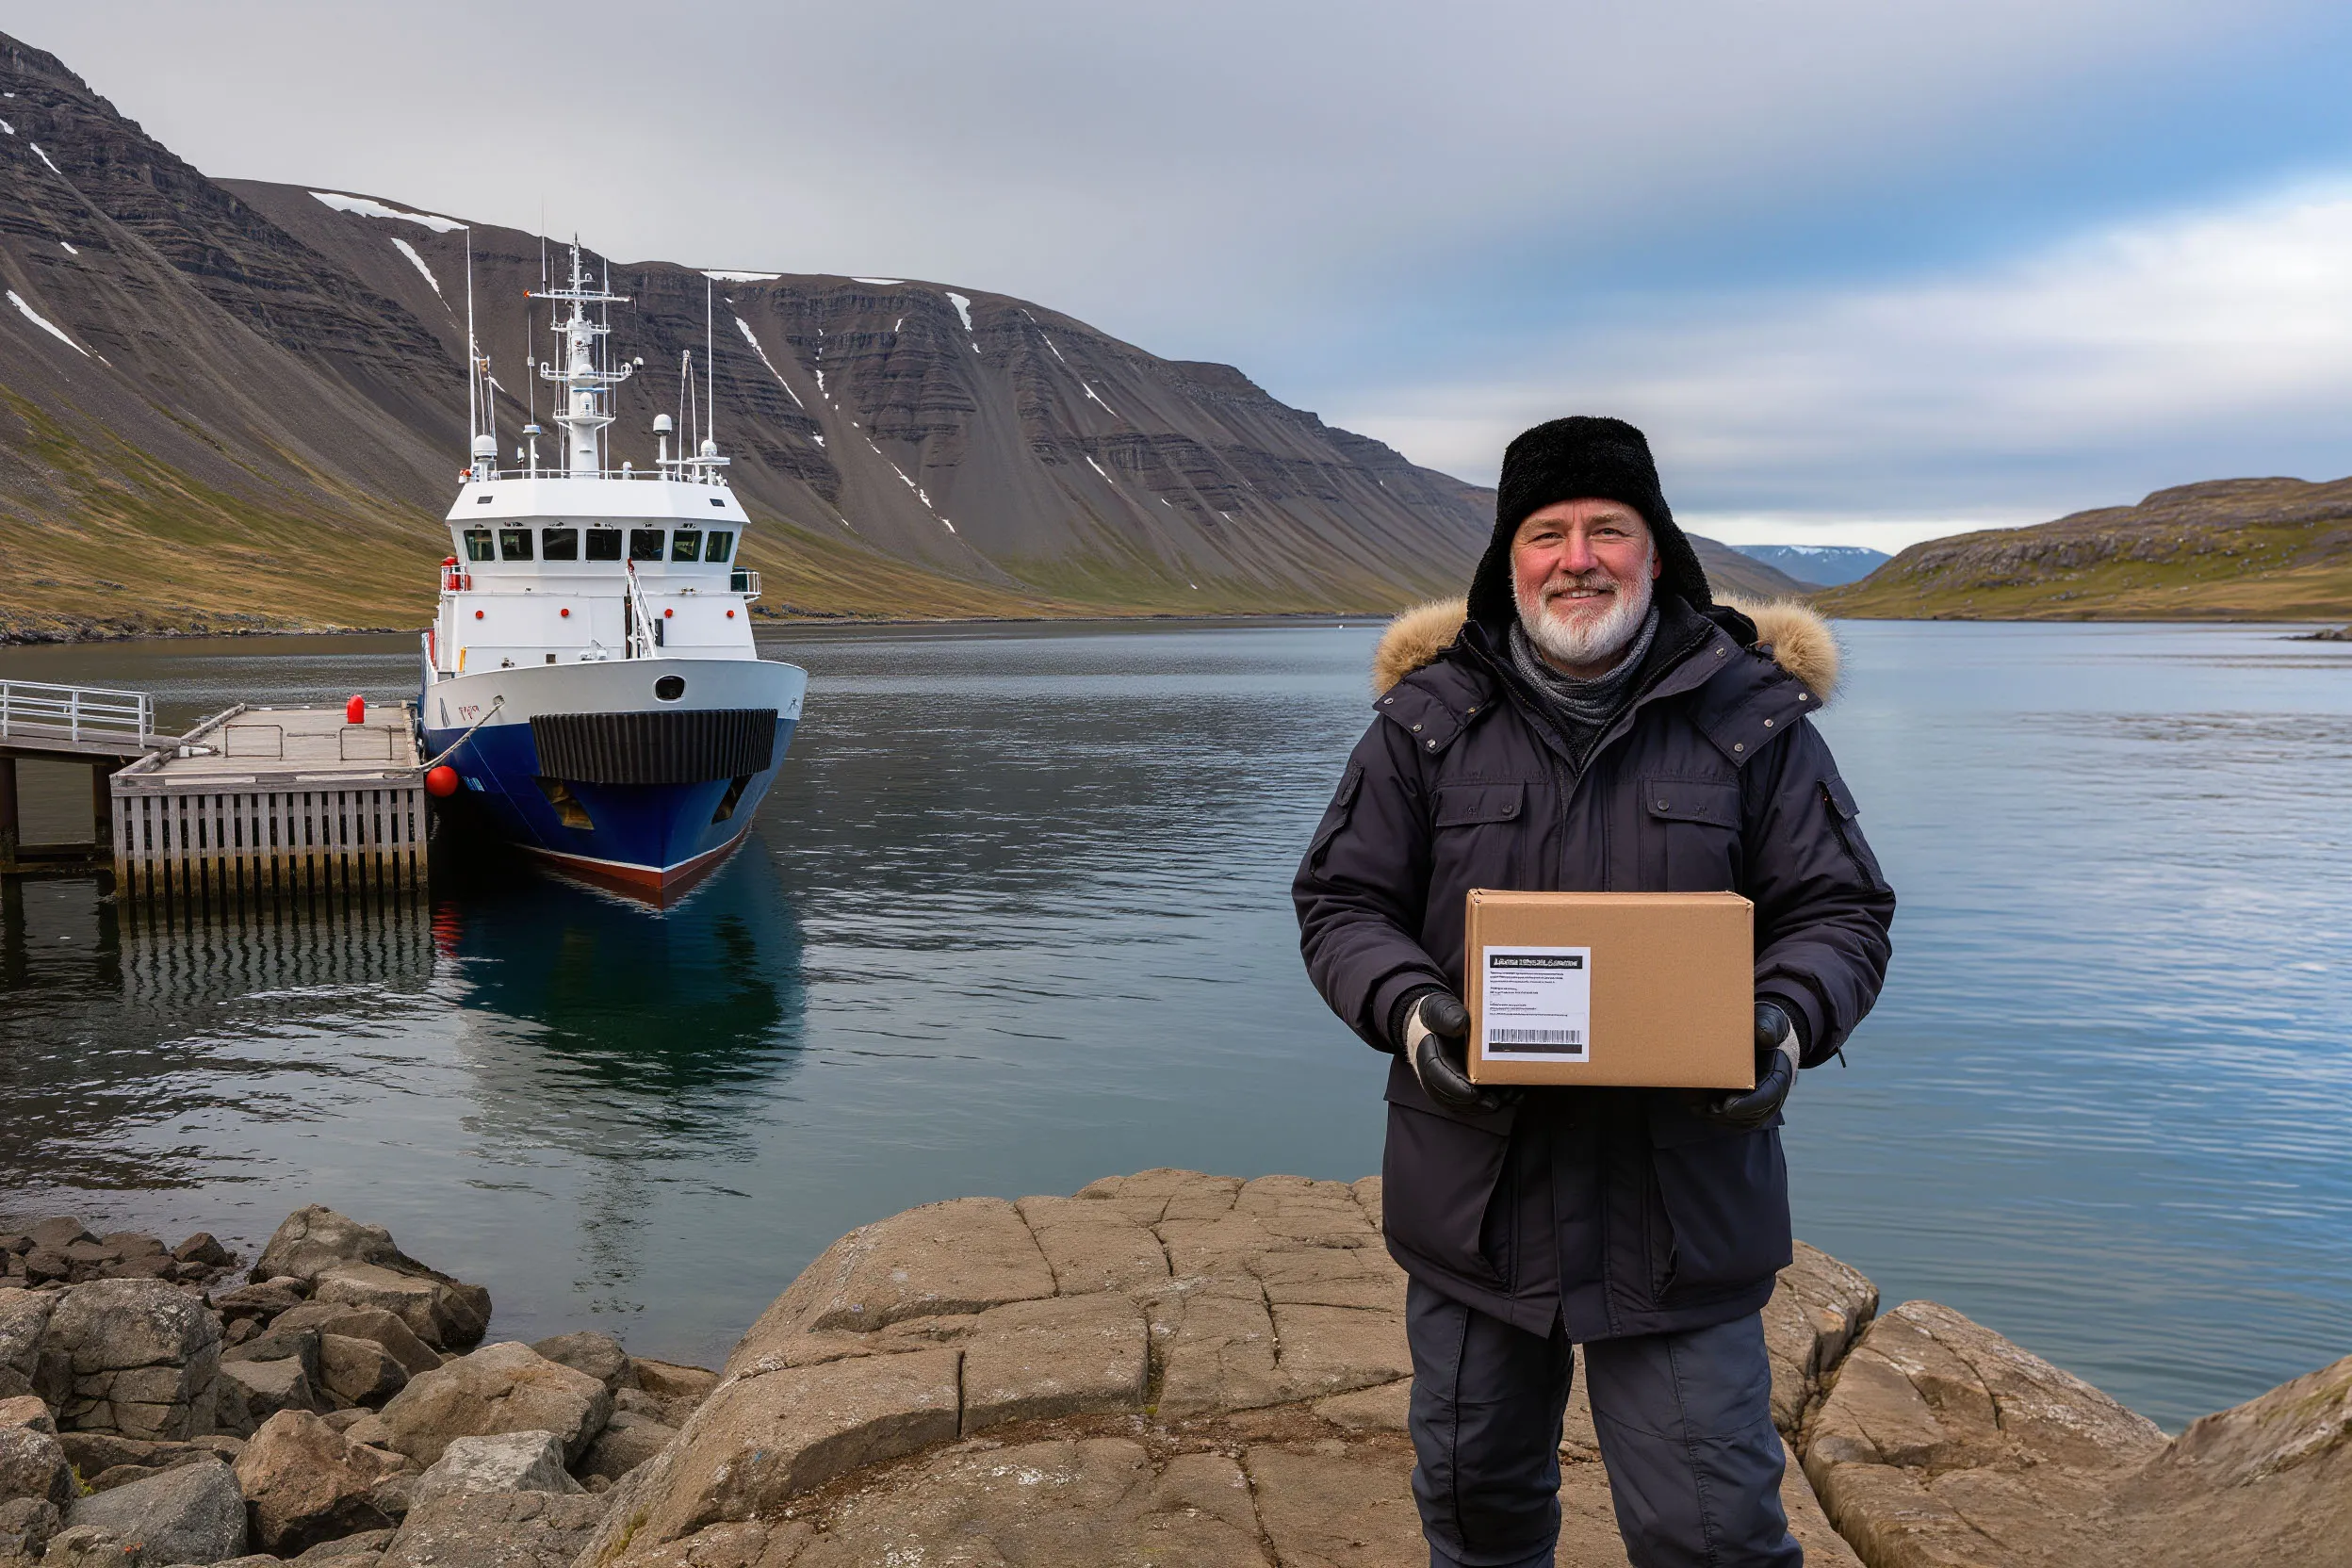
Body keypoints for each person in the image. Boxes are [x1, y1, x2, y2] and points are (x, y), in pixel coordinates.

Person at [1293, 416, 1896, 1568]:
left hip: (1679, 1210)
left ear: (1655, 550)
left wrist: (1782, 1023)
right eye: (1549, 532)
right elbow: (1341, 906)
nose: (1579, 558)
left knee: (1712, 1532)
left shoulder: (1755, 722)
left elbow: (1842, 913)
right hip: (1476, 1202)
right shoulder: (1423, 726)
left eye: (1607, 530)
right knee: (1477, 1513)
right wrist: (1416, 1013)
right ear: (1508, 560)